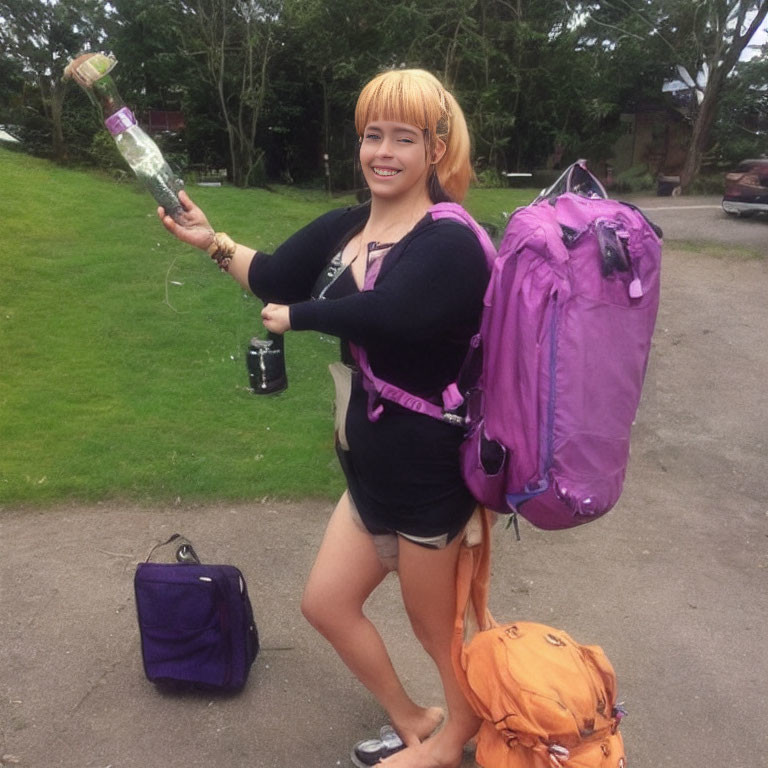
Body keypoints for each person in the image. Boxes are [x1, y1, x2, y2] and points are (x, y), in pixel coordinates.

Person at [158, 68, 490, 768]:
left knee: (438, 630)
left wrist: (302, 316)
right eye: (373, 136)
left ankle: (455, 741)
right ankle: (412, 718)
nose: (384, 152)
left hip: (430, 473)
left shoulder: (452, 239)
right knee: (327, 604)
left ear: (435, 149)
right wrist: (213, 241)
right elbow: (276, 274)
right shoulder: (350, 223)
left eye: (404, 137)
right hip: (369, 464)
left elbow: (394, 314)